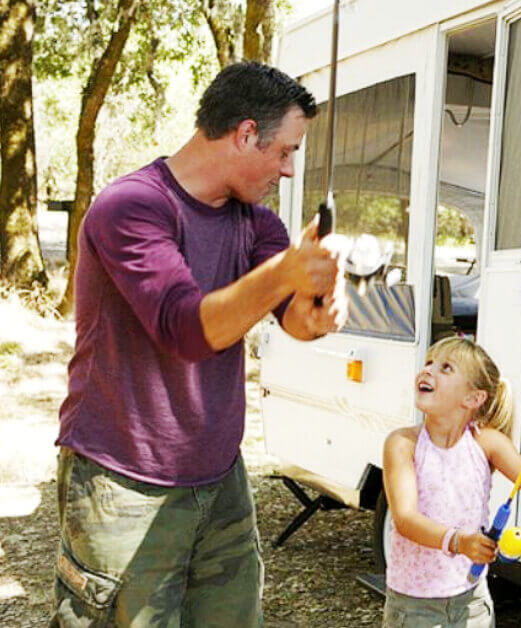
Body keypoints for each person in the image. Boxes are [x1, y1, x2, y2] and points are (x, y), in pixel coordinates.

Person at [53, 62, 347, 626]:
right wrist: (288, 270)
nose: (288, 170)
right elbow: (187, 330)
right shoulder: (131, 207)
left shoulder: (256, 223)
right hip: (122, 481)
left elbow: (295, 321)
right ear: (243, 134)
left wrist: (326, 302)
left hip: (219, 476)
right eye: (285, 151)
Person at [382, 337, 521, 628]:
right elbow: (404, 519)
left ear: (473, 399)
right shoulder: (403, 444)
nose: (428, 370)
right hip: (414, 607)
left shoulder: (486, 442)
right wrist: (459, 541)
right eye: (429, 362)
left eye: (446, 368)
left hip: (473, 603)